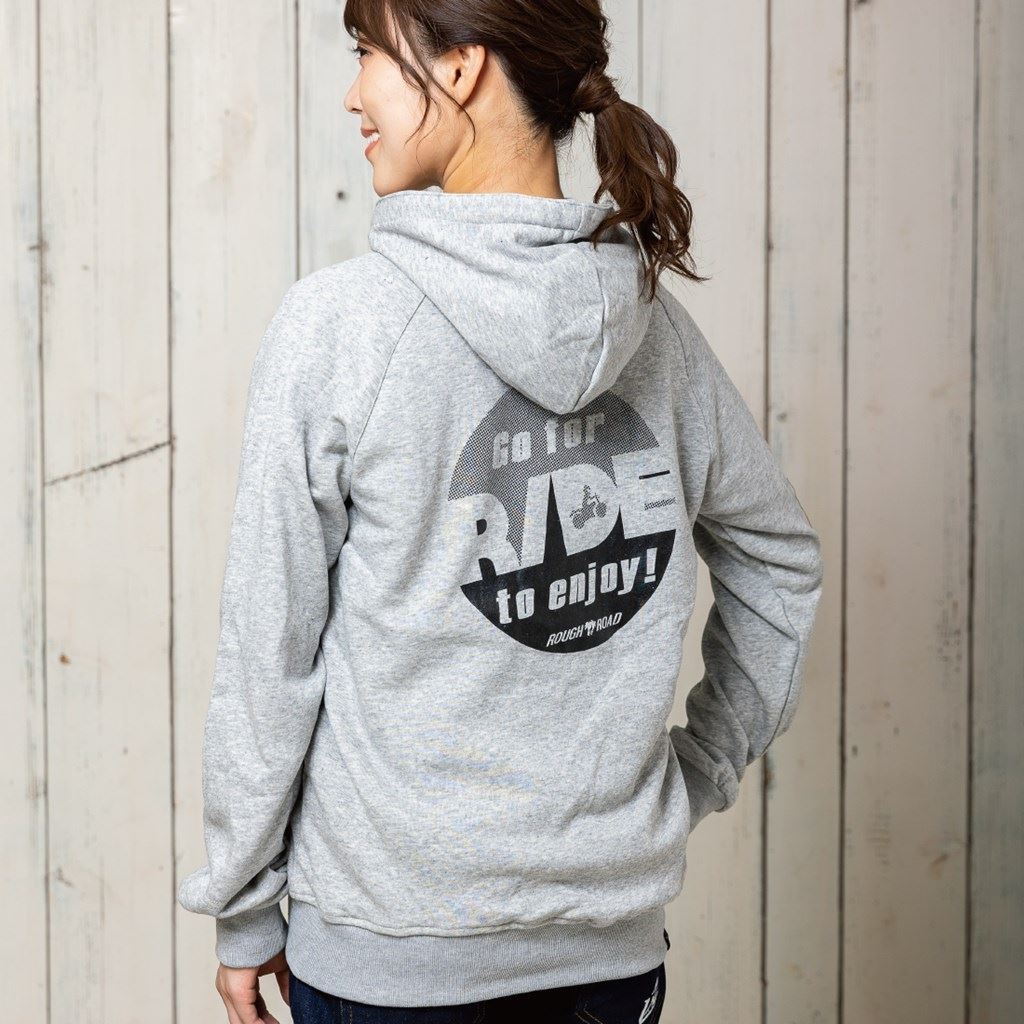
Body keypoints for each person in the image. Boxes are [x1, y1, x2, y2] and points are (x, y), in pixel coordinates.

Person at [176, 1, 825, 1022]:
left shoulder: (338, 330)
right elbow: (779, 562)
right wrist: (687, 779)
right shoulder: (657, 334)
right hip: (607, 962)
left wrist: (246, 908)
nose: (353, 94)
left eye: (369, 55)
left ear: (462, 66)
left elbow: (271, 648)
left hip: (390, 963)